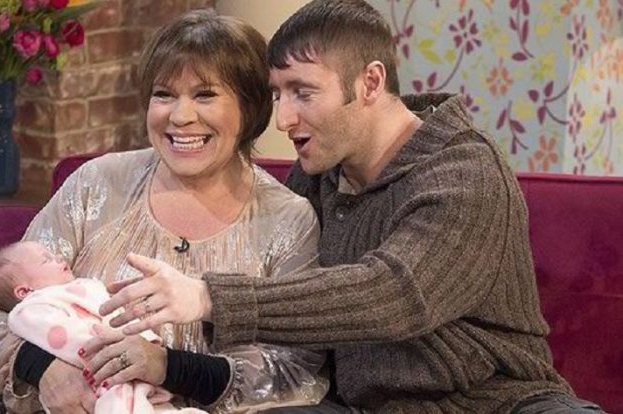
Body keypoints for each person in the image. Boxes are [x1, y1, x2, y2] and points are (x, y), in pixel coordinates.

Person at [95, 1, 606, 413]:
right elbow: (281, 293)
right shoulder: (317, 173)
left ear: (370, 83)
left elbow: (396, 294)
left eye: (303, 92)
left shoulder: (464, 174)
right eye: (277, 95)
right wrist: (165, 368)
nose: (283, 119)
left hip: (498, 402)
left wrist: (208, 297)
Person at [0, 9, 329, 414]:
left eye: (205, 95)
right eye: (163, 94)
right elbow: (3, 303)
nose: (179, 116)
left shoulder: (289, 220)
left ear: (250, 107)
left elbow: (294, 368)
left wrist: (169, 368)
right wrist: (44, 368)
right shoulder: (97, 182)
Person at [0, 241, 204, 414]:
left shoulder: (82, 287)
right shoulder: (30, 309)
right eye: (46, 260)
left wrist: (147, 342)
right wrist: (42, 366)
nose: (59, 257)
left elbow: (116, 317)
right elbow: (65, 338)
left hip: (142, 369)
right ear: (24, 291)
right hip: (99, 377)